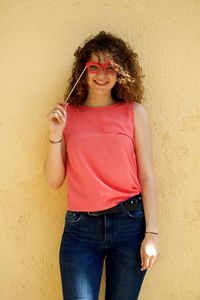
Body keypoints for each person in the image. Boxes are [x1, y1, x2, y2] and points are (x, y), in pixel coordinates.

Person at [44, 31, 160, 300]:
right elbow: (53, 181)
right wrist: (55, 134)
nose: (102, 74)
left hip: (130, 224)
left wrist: (152, 234)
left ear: (120, 72)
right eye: (94, 66)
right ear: (83, 71)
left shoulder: (135, 112)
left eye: (110, 67)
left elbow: (147, 175)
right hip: (80, 229)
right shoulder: (67, 115)